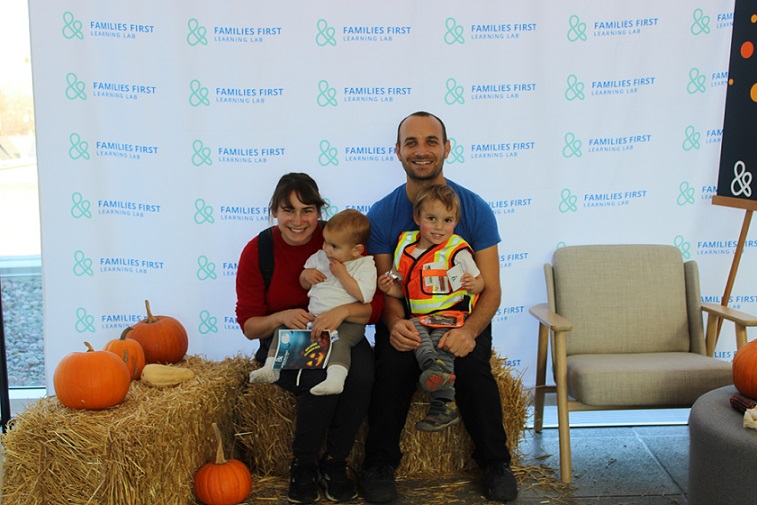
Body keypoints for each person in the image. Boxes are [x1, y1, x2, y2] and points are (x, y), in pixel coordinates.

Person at [362, 112, 519, 503]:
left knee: (472, 368)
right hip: (410, 317)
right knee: (393, 366)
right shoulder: (382, 214)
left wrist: (469, 331)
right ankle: (379, 464)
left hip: (459, 318)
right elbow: (389, 291)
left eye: (431, 141)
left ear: (447, 148)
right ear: (397, 151)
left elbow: (492, 290)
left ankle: (496, 462)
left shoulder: (475, 208)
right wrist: (396, 324)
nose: (421, 151)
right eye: (411, 142)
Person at [236, 173, 380, 504]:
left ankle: (336, 463)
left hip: (341, 332)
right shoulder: (258, 251)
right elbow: (249, 326)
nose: (299, 221)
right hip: (288, 338)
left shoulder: (341, 237)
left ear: (319, 210)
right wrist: (281, 317)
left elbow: (373, 307)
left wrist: (341, 313)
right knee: (316, 376)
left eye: (307, 210)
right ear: (274, 211)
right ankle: (303, 464)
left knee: (361, 376)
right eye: (288, 210)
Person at [378, 184, 484, 432]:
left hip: (450, 316)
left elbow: (479, 284)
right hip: (420, 317)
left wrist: (473, 283)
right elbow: (402, 288)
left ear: (455, 222)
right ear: (417, 218)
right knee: (413, 335)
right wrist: (387, 287)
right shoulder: (406, 246)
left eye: (447, 220)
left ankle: (439, 395)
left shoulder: (456, 251)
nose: (439, 227)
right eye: (431, 219)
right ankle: (438, 385)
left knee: (441, 345)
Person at [250, 208, 377, 396]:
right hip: (315, 318)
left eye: (334, 246)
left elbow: (364, 296)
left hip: (347, 323)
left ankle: (335, 379)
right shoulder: (321, 257)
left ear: (356, 250)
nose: (327, 249)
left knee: (339, 344)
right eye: (326, 242)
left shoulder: (365, 265)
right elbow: (303, 282)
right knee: (283, 331)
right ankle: (272, 368)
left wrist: (342, 275)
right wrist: (306, 275)